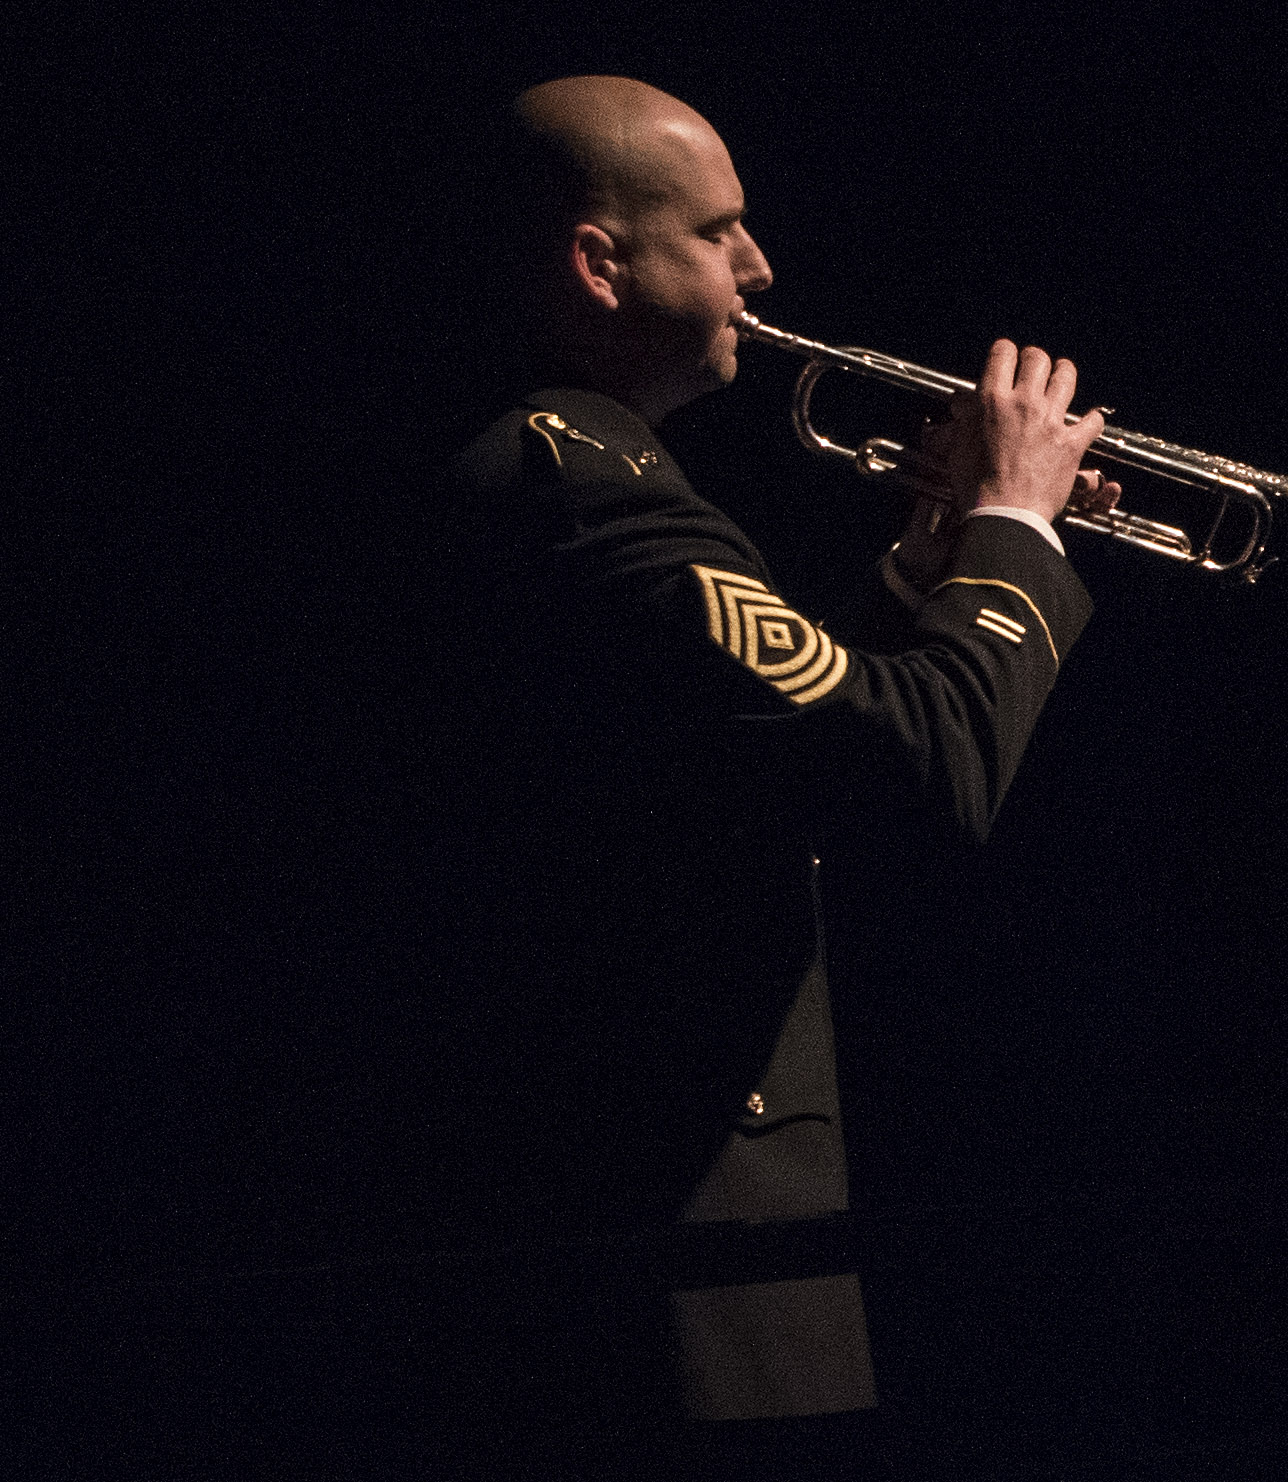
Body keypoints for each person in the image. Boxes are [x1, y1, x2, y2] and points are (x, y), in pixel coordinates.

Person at [381, 74, 1116, 1456]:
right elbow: (920, 769)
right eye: (720, 231)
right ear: (601, 263)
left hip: (686, 1257)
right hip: (666, 1268)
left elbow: (784, 756)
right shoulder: (582, 486)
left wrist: (933, 556)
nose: (760, 266)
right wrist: (1019, 521)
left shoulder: (595, 471)